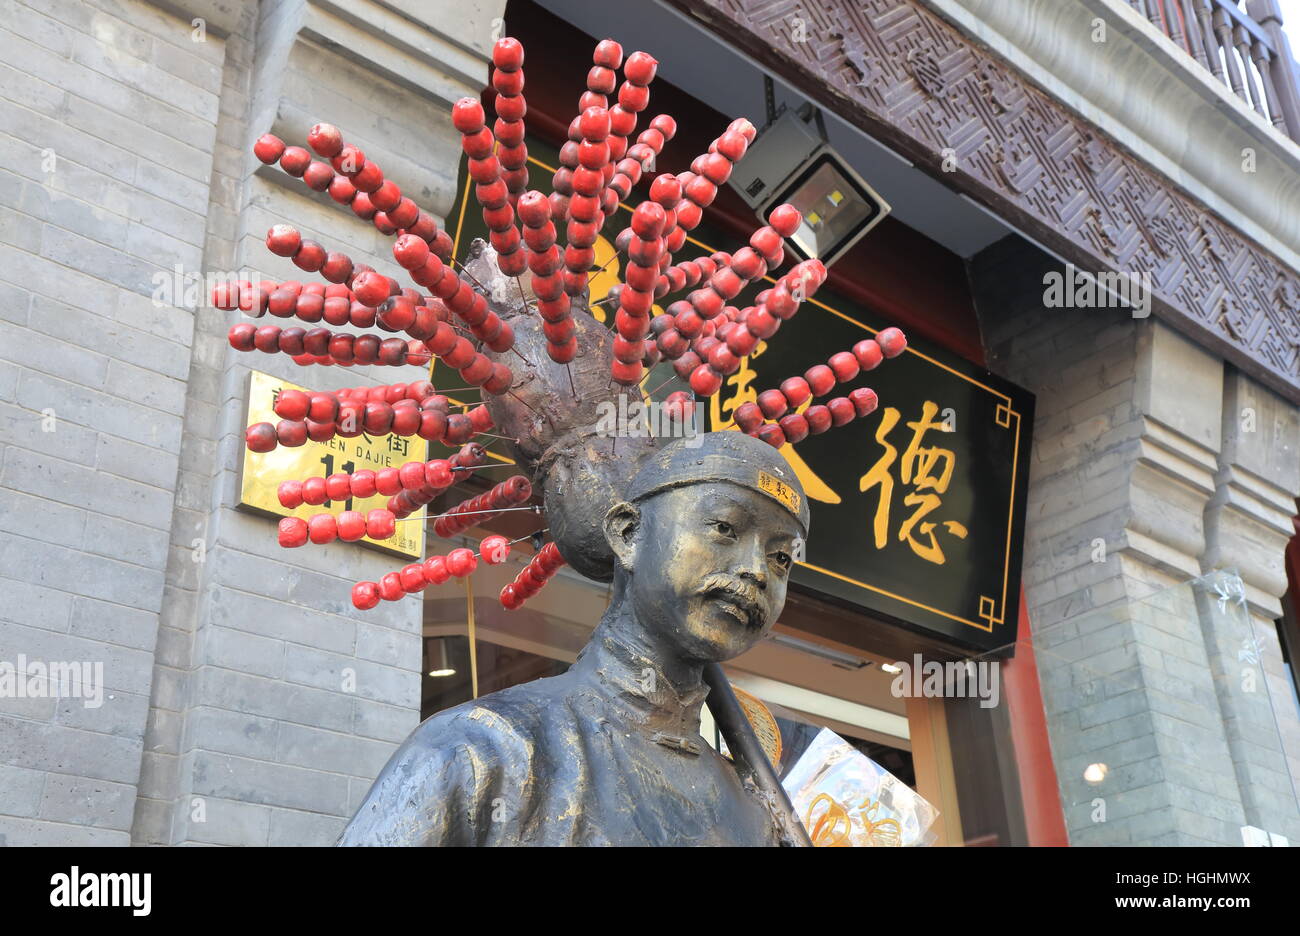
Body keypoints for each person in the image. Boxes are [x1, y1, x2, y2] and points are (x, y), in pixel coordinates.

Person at [337, 431, 809, 846]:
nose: (755, 570)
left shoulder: (754, 809)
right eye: (725, 528)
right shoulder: (486, 750)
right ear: (628, 534)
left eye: (781, 558)